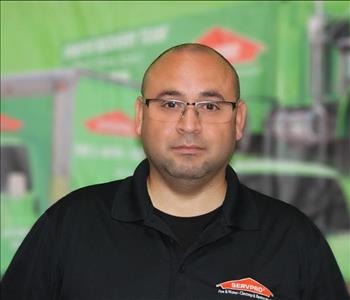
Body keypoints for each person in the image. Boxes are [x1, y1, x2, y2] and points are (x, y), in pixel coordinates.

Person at [1, 43, 349, 300]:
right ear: (139, 116)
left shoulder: (294, 240)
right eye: (170, 104)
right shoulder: (68, 225)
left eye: (210, 106)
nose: (189, 125)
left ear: (239, 120)